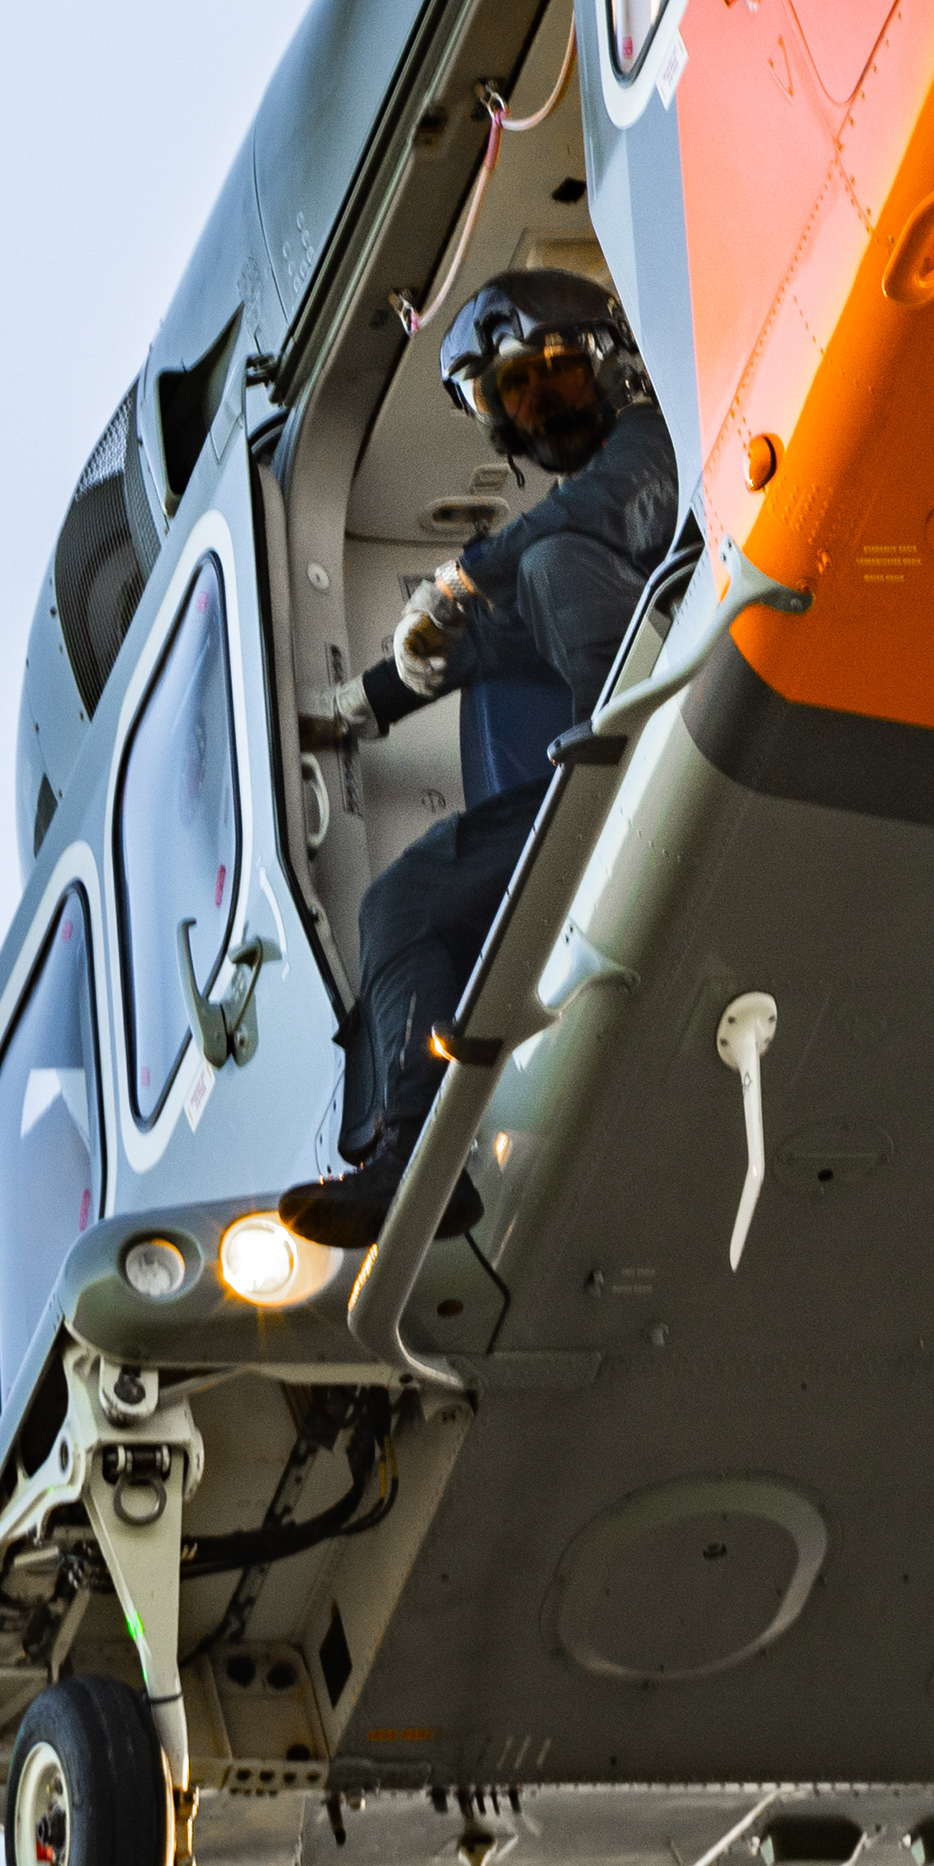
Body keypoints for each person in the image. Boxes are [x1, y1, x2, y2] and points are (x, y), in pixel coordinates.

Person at [279, 267, 675, 1246]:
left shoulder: (665, 440)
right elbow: (504, 636)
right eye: (515, 396)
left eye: (553, 377)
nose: (540, 410)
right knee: (399, 900)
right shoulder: (567, 540)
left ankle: (626, 769)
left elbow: (583, 523)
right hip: (591, 775)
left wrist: (459, 578)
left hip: (677, 718)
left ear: (610, 365)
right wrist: (362, 702)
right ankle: (405, 1155)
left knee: (539, 562)